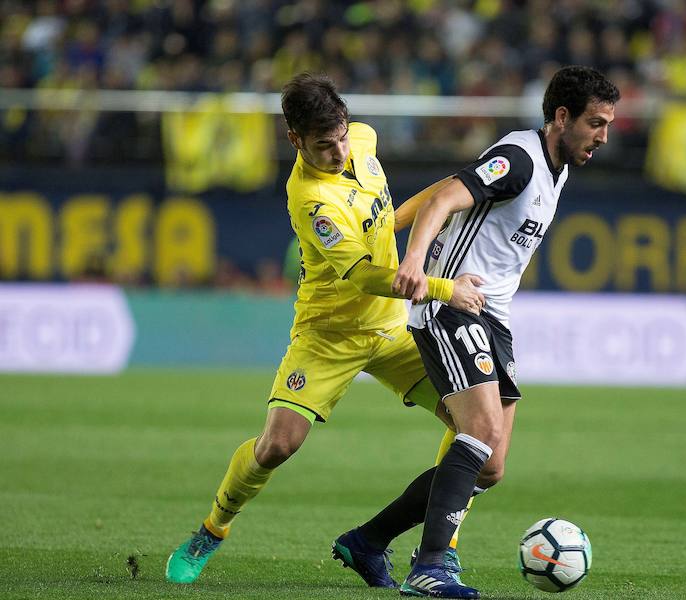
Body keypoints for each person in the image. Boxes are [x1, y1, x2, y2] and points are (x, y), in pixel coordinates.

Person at [164, 73, 485, 587]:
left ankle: (433, 548)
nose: (338, 151)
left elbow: (387, 219)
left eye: (340, 137)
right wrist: (446, 289)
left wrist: (457, 190)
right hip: (328, 337)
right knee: (276, 447)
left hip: (392, 331)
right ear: (294, 140)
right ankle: (213, 529)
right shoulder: (311, 199)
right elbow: (363, 274)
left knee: (474, 430)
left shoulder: (363, 139)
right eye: (322, 145)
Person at [345, 65, 620, 599]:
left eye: (607, 124)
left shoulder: (558, 167)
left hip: (493, 315)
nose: (603, 136)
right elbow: (445, 197)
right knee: (480, 430)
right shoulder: (519, 158)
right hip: (450, 305)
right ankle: (431, 564)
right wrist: (418, 265)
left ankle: (368, 541)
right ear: (561, 117)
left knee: (490, 466)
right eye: (595, 123)